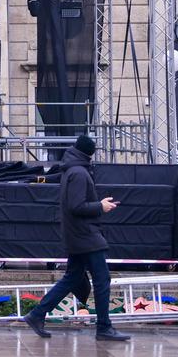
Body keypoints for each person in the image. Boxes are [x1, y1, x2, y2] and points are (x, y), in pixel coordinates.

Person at [23, 135, 131, 343]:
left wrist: (99, 203)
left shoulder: (72, 170)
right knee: (102, 279)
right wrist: (100, 206)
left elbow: (75, 204)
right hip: (86, 236)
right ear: (89, 153)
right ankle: (104, 327)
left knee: (72, 277)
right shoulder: (79, 173)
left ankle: (37, 315)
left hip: (77, 235)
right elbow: (77, 206)